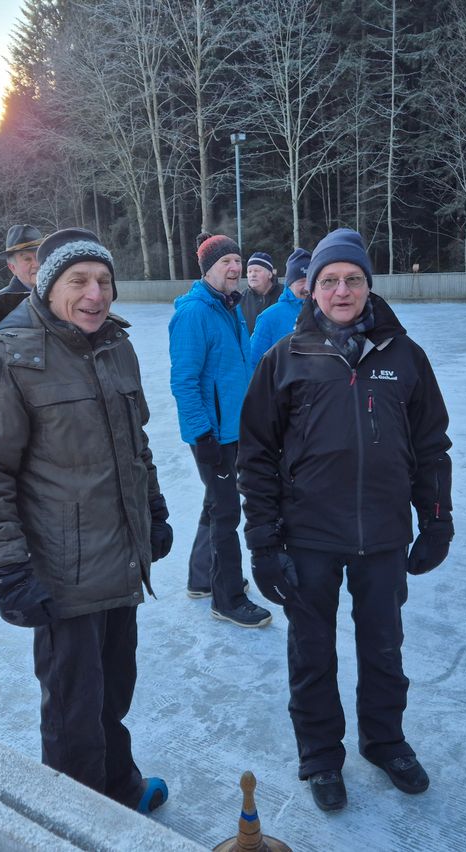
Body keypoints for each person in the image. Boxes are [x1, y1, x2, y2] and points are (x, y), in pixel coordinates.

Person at [0, 228, 173, 814]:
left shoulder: (113, 345)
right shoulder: (6, 360)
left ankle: (118, 786)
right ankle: (77, 822)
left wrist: (151, 508)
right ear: (49, 287)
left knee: (112, 693)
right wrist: (7, 566)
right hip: (59, 571)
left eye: (103, 281)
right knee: (74, 709)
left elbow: (137, 444)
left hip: (120, 556)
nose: (94, 294)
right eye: (78, 280)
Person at [237, 228, 453, 812]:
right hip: (310, 535)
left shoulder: (404, 356)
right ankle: (321, 755)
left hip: (382, 535)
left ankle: (385, 741)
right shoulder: (285, 358)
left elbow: (432, 445)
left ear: (368, 286)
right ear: (311, 291)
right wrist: (262, 542)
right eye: (329, 280)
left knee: (384, 647)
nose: (340, 290)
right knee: (313, 653)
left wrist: (436, 520)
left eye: (352, 279)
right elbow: (255, 454)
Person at [168, 232, 272, 628]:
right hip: (212, 434)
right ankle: (226, 598)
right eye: (226, 262)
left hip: (233, 429)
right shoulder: (195, 313)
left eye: (237, 261)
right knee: (226, 511)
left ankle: (201, 579)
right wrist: (202, 436)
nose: (235, 268)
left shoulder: (229, 308)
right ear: (208, 269)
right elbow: (185, 381)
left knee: (217, 503)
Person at [250, 247, 311, 368]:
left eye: (310, 280)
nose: (307, 287)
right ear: (289, 284)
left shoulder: (325, 312)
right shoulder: (269, 317)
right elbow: (253, 363)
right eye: (301, 281)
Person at [0, 224, 43, 296]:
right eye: (27, 259)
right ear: (12, 268)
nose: (36, 264)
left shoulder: (60, 294)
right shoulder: (0, 303)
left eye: (39, 256)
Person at [240, 250, 282, 334]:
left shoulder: (284, 294)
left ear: (269, 274)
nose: (252, 274)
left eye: (257, 271)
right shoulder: (241, 299)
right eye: (249, 271)